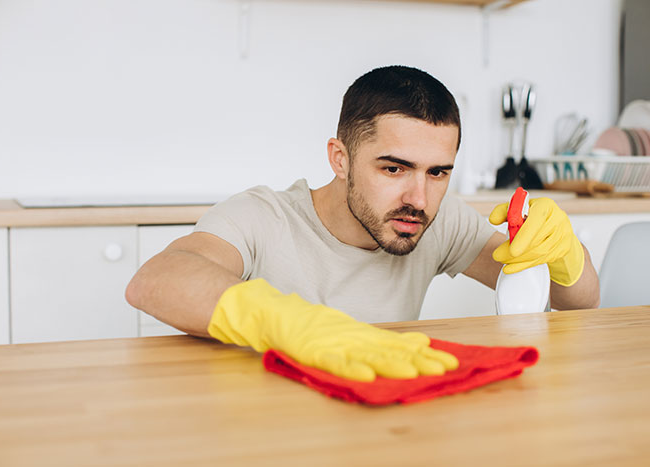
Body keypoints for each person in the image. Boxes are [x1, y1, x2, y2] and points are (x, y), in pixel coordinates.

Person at [126, 65, 600, 382]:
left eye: (437, 172)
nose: (418, 199)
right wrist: (291, 324)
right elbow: (155, 281)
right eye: (393, 168)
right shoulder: (264, 216)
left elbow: (578, 305)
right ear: (341, 159)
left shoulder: (439, 220)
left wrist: (562, 254)